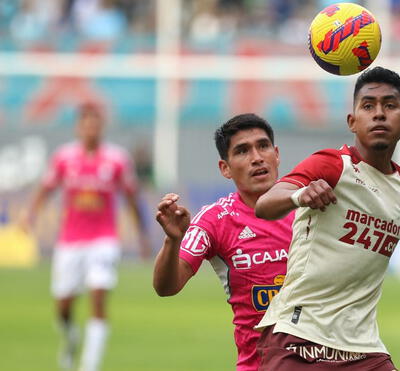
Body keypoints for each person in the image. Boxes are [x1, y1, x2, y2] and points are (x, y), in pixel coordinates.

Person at [254, 66, 400, 370]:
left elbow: (394, 226)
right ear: (352, 121)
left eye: (389, 105)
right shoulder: (332, 164)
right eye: (368, 106)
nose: (379, 114)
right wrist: (300, 195)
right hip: (301, 335)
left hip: (362, 347)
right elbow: (265, 204)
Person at [153, 113, 295, 371]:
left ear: (277, 154)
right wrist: (172, 241)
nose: (256, 157)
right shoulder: (214, 220)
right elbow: (166, 287)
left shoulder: (308, 207)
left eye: (263, 146)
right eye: (242, 151)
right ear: (225, 168)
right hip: (260, 365)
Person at [20, 102, 151, 371]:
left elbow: (131, 198)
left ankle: (89, 366)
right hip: (70, 242)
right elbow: (46, 188)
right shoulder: (64, 158)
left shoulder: (117, 159)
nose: (91, 128)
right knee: (63, 307)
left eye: (95, 122)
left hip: (104, 240)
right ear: (79, 127)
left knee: (99, 297)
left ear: (101, 126)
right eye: (86, 123)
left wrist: (142, 235)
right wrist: (30, 214)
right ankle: (70, 337)